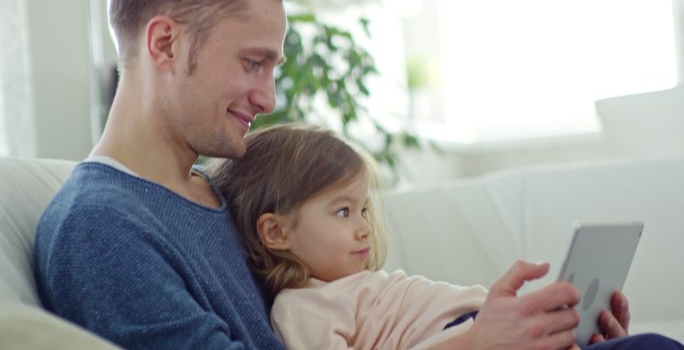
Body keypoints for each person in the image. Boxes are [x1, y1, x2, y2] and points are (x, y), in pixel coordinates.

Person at [211, 123, 684, 350]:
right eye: (341, 211)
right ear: (275, 231)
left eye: (363, 209)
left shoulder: (365, 285)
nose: (362, 227)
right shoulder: (302, 308)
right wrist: (478, 338)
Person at [33, 0, 302, 349]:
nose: (269, 99)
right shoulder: (101, 227)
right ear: (165, 44)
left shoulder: (227, 192)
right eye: (253, 63)